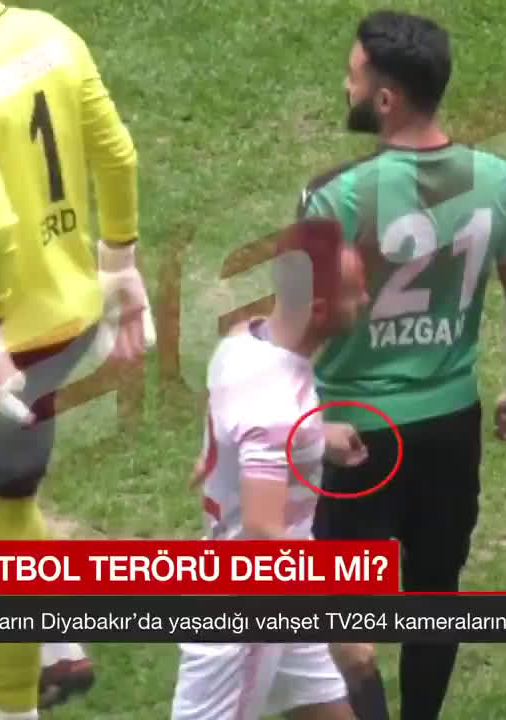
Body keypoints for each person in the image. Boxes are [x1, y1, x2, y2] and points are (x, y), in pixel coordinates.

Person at [0, 1, 154, 718]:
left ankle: (15, 710)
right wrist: (120, 261)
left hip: (11, 345)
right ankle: (60, 643)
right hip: (74, 315)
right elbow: (118, 154)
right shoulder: (51, 33)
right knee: (11, 498)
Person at [298, 11, 506, 719]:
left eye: (354, 77)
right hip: (451, 424)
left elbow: (301, 323)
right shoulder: (501, 181)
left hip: (356, 432)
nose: (345, 85)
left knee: (339, 609)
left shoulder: (336, 195)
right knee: (436, 593)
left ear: (386, 98)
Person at [174, 218, 379, 720]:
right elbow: (265, 533)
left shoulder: (243, 340)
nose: (367, 299)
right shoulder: (275, 409)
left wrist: (316, 437)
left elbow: (243, 427)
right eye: (356, 292)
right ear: (320, 310)